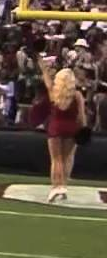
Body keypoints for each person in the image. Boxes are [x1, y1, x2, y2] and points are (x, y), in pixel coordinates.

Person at [41, 60, 88, 203]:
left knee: (56, 159)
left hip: (56, 128)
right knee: (67, 158)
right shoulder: (78, 95)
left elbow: (47, 81)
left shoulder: (54, 93)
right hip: (72, 128)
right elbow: (81, 116)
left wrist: (44, 69)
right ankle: (63, 186)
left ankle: (56, 186)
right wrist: (83, 130)